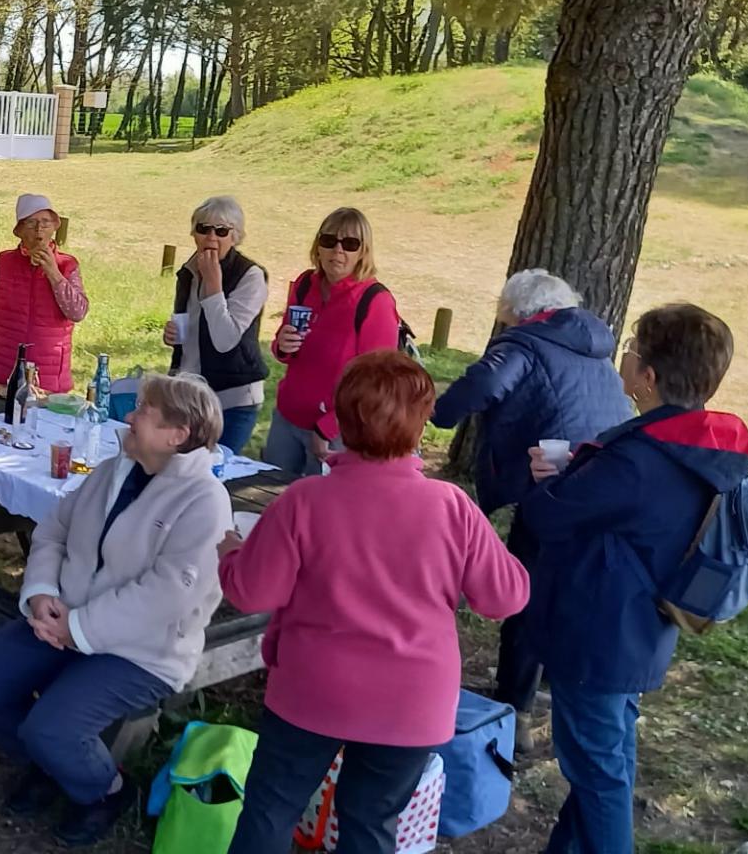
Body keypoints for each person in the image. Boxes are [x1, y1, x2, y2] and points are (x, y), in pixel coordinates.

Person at [219, 351, 528, 854]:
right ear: (422, 424)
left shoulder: (306, 500)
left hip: (313, 690)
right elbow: (506, 597)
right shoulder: (451, 506)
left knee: (271, 811)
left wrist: (230, 551)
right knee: (370, 825)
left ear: (341, 419)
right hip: (412, 701)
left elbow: (252, 592)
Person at [0, 374, 233, 846]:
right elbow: (54, 530)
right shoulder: (115, 468)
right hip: (66, 620)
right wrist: (42, 593)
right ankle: (49, 765)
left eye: (143, 409)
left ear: (177, 434)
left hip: (142, 650)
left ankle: (104, 790)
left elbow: (166, 596)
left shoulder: (205, 502)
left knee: (54, 727)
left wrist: (77, 629)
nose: (129, 416)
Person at [520, 304, 748, 854]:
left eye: (633, 349)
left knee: (598, 778)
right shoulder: (697, 446)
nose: (624, 354)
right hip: (639, 627)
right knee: (606, 764)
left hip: (595, 632)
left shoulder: (640, 458)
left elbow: (547, 517)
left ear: (646, 376)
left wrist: (546, 482)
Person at [430, 269, 630, 716]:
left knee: (529, 589)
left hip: (555, 482)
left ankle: (514, 702)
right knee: (570, 587)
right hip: (605, 478)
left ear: (518, 314)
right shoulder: (592, 345)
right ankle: (557, 683)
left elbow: (484, 385)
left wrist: (438, 409)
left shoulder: (524, 343)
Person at [262, 207, 399, 476]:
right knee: (271, 499)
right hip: (287, 418)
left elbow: (376, 382)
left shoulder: (375, 301)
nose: (338, 251)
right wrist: (283, 345)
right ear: (318, 246)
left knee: (320, 512)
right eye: (329, 241)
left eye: (349, 244)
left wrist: (328, 427)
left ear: (363, 251)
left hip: (335, 432)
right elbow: (286, 343)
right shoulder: (305, 284)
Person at [0, 193, 88, 394]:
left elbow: (77, 312)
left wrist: (53, 273)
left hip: (47, 376)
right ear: (20, 230)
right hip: (0, 371)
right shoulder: (3, 264)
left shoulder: (67, 265)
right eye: (31, 223)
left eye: (45, 222)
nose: (39, 229)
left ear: (54, 227)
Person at [163, 196, 269, 454]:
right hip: (189, 394)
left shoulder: (251, 276)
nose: (211, 237)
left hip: (232, 400)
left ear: (235, 237)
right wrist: (175, 334)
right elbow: (193, 326)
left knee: (214, 476)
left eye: (221, 231)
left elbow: (225, 340)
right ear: (194, 234)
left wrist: (213, 285)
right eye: (203, 228)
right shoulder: (190, 270)